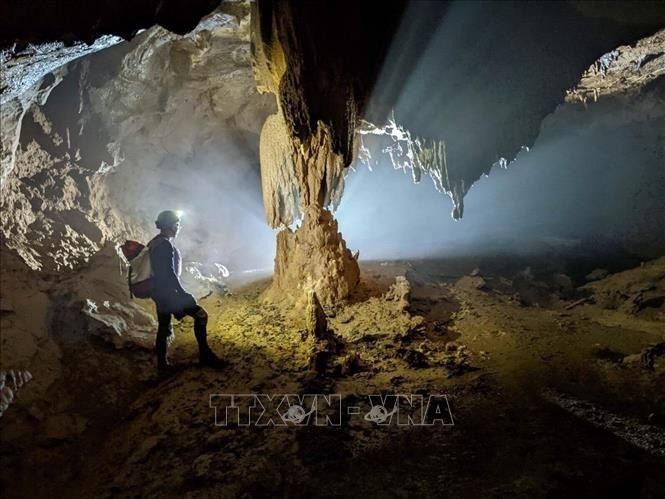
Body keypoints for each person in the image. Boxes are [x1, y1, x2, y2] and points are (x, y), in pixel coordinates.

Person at [148, 210, 225, 371]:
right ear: (169, 226)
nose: (178, 228)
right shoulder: (165, 244)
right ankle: (205, 356)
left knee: (164, 328)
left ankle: (162, 366)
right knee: (201, 315)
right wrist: (183, 294)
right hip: (168, 294)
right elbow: (169, 273)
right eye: (176, 225)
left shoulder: (154, 242)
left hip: (159, 293)